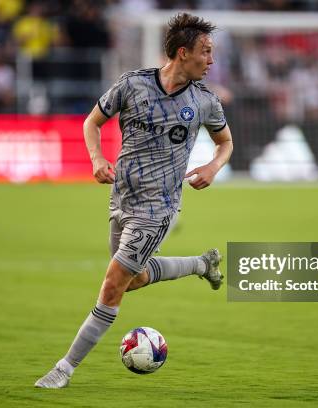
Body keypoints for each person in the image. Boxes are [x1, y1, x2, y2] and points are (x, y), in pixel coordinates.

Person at [35, 12, 233, 389]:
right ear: (181, 52)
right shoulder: (133, 85)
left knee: (112, 286)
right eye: (205, 52)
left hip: (158, 209)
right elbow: (91, 122)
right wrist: (96, 158)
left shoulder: (204, 102)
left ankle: (64, 369)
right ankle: (201, 264)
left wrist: (213, 166)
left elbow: (226, 142)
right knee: (135, 279)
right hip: (121, 199)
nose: (211, 60)